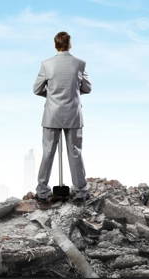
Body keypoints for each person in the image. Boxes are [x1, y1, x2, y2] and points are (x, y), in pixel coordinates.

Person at [33, 31, 91, 202]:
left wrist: (52, 96)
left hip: (52, 114)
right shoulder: (80, 64)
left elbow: (36, 89)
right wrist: (72, 91)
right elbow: (87, 88)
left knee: (47, 153)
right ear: (69, 43)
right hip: (73, 114)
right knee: (75, 153)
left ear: (55, 44)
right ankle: (81, 191)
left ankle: (42, 191)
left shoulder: (46, 64)